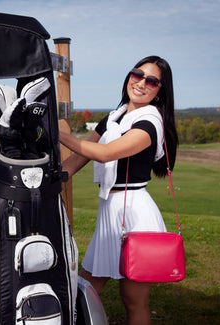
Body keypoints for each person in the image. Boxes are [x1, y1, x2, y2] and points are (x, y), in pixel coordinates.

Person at [59, 55, 178, 325]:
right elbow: (78, 159)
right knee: (84, 289)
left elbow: (104, 153)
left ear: (160, 90)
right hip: (110, 212)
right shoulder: (114, 118)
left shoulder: (150, 124)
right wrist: (50, 178)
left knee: (133, 299)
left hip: (136, 216)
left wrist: (56, 132)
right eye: (137, 74)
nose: (141, 83)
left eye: (152, 81)